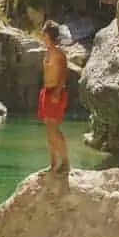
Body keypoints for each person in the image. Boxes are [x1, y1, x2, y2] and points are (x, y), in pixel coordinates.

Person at [38, 20, 70, 173]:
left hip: (56, 92)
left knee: (53, 128)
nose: (41, 35)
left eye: (43, 32)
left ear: (48, 35)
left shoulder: (58, 53)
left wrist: (57, 91)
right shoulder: (48, 51)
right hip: (47, 92)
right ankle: (53, 163)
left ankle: (65, 162)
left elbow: (63, 73)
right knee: (49, 129)